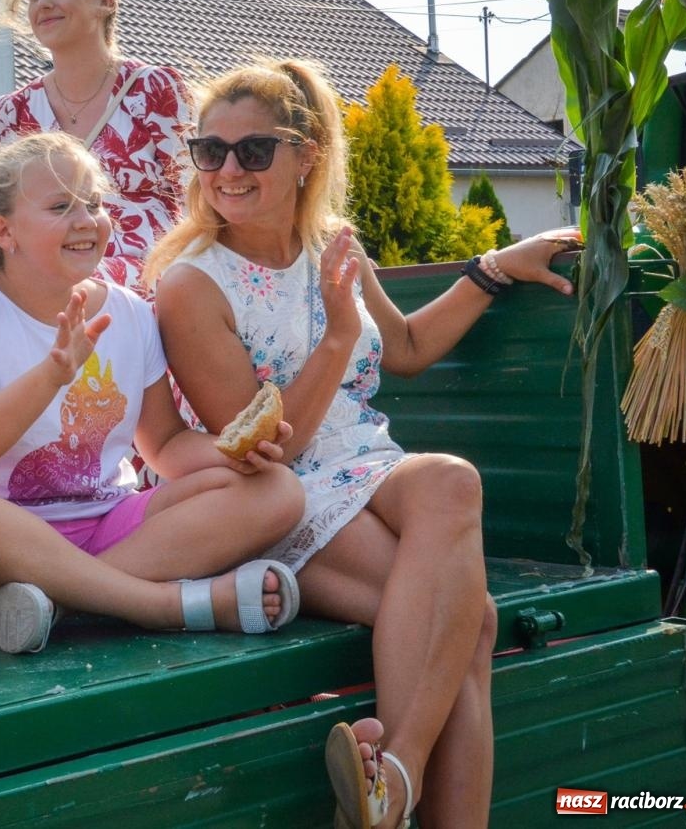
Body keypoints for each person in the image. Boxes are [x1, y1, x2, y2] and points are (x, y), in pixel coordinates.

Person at [148, 58, 580, 829]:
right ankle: (400, 778)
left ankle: (396, 783)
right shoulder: (192, 285)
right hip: (273, 499)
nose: (227, 170)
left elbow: (407, 345)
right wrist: (338, 331)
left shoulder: (332, 244)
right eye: (208, 151)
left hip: (365, 464)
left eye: (253, 151)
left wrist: (493, 270)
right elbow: (268, 447)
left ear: (306, 154)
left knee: (449, 482)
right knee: (470, 622)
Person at [0, 132, 306, 655]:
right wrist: (50, 377)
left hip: (113, 526)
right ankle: (165, 606)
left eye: (92, 203)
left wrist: (235, 451)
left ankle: (56, 605)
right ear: (5, 231)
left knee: (279, 490)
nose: (86, 219)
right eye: (60, 206)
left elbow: (165, 445)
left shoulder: (131, 312)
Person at [0, 0, 194, 296]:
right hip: (47, 289)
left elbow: (196, 202)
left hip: (155, 289)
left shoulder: (154, 89)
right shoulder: (9, 113)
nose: (43, 3)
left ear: (105, 0)